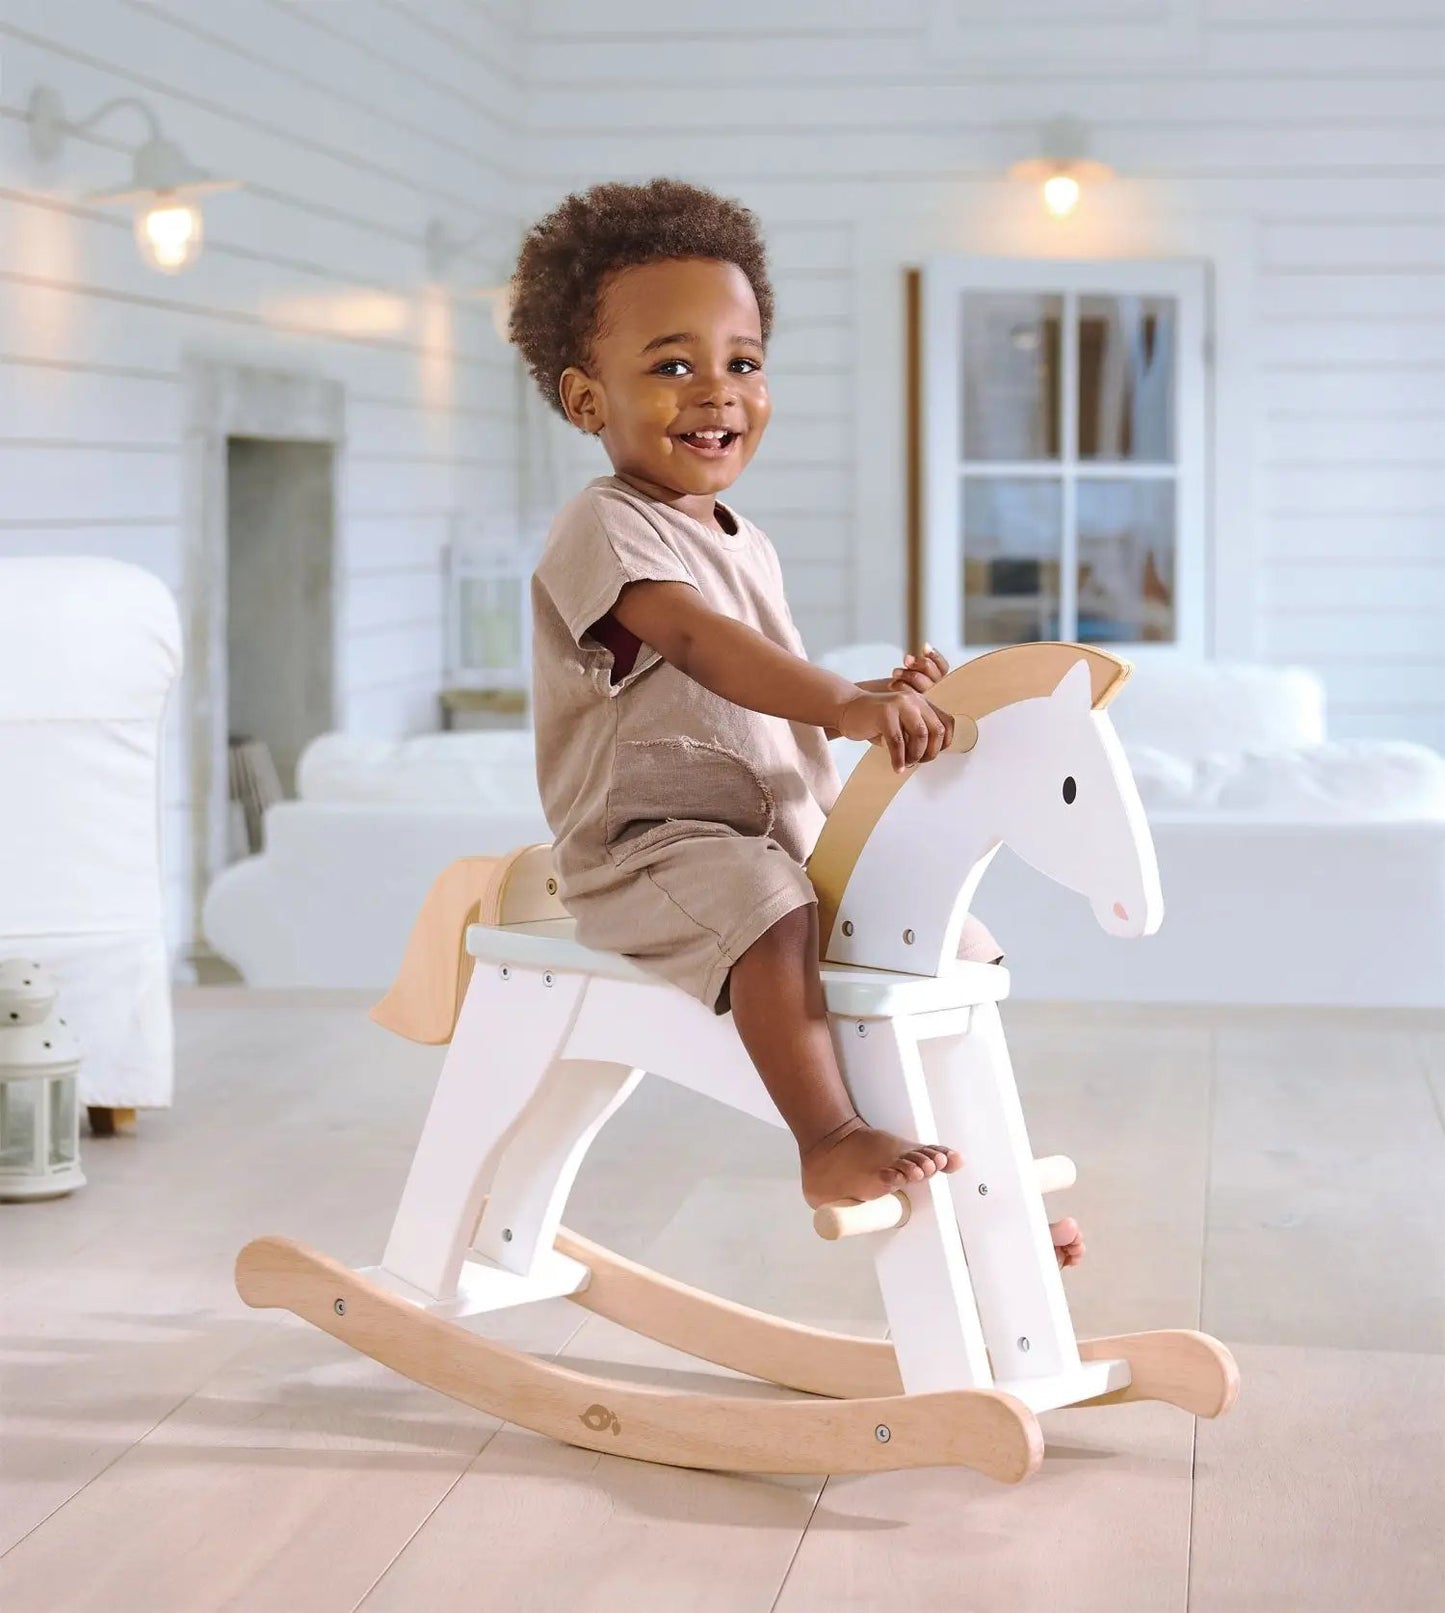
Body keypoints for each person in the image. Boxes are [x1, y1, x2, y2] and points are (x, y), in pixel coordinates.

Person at [514, 178, 1082, 1264]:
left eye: (743, 362)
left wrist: (878, 694)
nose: (716, 392)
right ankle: (827, 1137)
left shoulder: (744, 539)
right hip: (656, 846)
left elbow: (746, 688)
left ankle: (984, 1171)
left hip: (775, 830)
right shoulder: (605, 525)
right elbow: (696, 643)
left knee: (944, 939)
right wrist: (843, 701)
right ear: (587, 400)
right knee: (770, 908)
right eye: (671, 366)